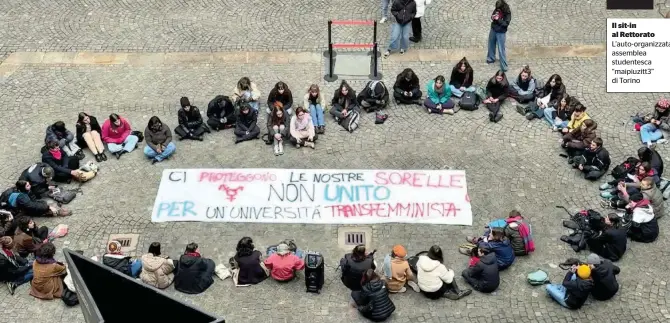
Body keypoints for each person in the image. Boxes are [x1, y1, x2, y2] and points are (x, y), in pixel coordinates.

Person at [1, 180, 69, 217]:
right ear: (23, 188)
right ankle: (55, 212)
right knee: (37, 209)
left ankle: (53, 210)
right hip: (12, 210)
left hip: (13, 203)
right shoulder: (22, 197)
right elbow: (32, 205)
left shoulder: (22, 190)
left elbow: (33, 199)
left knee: (40, 203)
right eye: (28, 186)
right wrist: (47, 207)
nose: (30, 186)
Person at [487, 0, 512, 72]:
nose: (497, 10)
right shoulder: (498, 8)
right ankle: (491, 58)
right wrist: (493, 17)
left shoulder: (507, 13)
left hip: (501, 32)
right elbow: (493, 15)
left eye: (498, 9)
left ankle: (504, 66)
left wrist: (498, 19)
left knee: (501, 49)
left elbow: (505, 24)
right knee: (491, 44)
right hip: (493, 29)